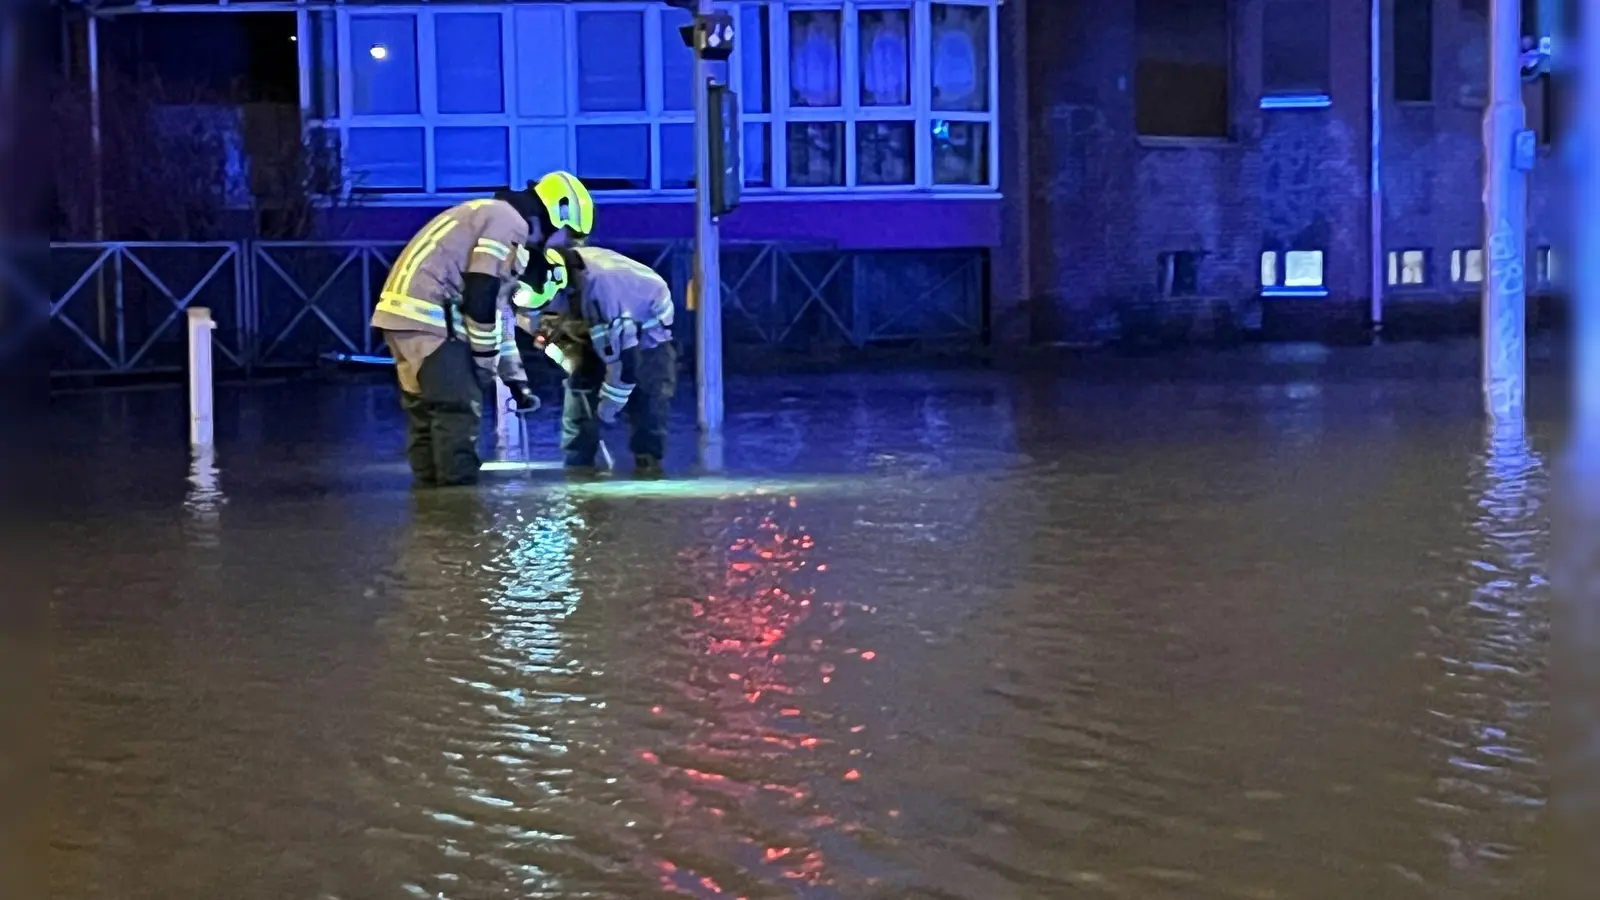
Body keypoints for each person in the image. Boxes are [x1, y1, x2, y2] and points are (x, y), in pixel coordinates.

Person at [371, 173, 594, 486]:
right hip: (433, 320)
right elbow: (482, 291)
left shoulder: (489, 215)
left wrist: (515, 378)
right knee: (457, 412)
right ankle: (458, 518)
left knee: (426, 417)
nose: (561, 245)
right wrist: (484, 360)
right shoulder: (508, 221)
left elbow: (498, 311)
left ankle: (428, 518)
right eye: (568, 235)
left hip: (402, 318)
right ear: (560, 213)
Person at [534, 246, 677, 476]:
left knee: (648, 397)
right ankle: (578, 465)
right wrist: (569, 362)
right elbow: (536, 329)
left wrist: (606, 410)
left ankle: (648, 466)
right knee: (578, 390)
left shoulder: (606, 290)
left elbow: (624, 368)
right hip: (589, 323)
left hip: (645, 331)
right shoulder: (530, 279)